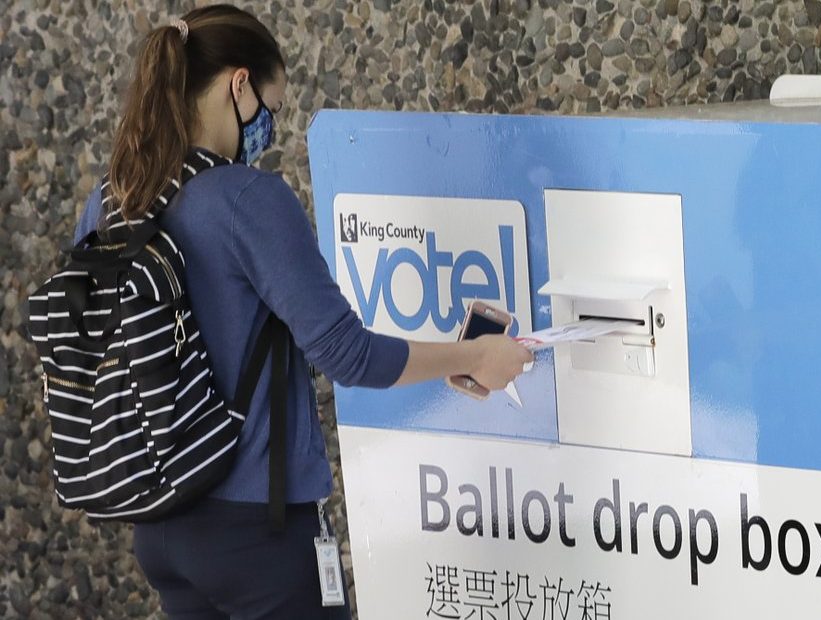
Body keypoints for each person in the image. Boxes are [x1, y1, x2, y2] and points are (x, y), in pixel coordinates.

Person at [73, 5, 532, 618]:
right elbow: (348, 352)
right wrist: (480, 354)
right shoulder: (246, 198)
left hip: (161, 527)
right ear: (240, 85)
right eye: (274, 107)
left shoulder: (108, 200)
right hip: (258, 534)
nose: (270, 126)